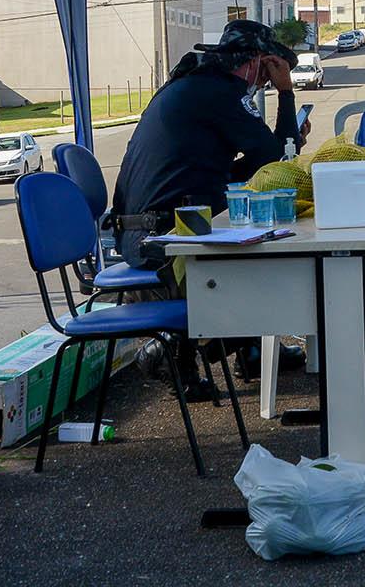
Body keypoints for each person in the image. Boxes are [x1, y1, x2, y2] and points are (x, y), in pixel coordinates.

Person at [111, 20, 312, 390]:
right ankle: (173, 351)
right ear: (255, 62)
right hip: (162, 237)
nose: (264, 84)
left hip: (145, 227)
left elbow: (243, 168)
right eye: (267, 75)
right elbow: (276, 159)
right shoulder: (221, 93)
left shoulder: (196, 86)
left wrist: (285, 138)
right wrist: (286, 94)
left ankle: (248, 351)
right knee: (263, 246)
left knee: (247, 223)